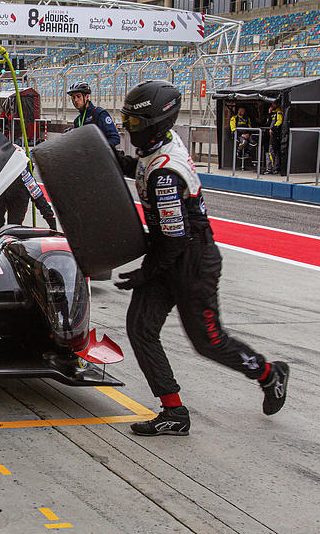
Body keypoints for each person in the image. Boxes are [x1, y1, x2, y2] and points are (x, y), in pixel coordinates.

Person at [113, 80, 289, 436]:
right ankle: (174, 412)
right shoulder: (163, 145)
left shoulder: (165, 172)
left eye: (133, 123)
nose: (128, 129)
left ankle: (269, 373)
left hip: (191, 261)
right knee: (140, 327)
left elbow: (176, 237)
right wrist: (108, 159)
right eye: (126, 121)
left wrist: (145, 273)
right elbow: (142, 170)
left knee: (208, 342)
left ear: (154, 123)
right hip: (169, 251)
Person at [0, 157, 57, 234]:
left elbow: (38, 196)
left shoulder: (23, 171)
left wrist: (52, 224)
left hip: (17, 195)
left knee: (13, 228)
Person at [68, 81, 120, 147]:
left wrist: (98, 148)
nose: (75, 100)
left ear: (86, 97)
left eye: (78, 96)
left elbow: (115, 138)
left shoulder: (99, 114)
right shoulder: (77, 121)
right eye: (73, 97)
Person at [264, 101, 286, 175]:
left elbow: (279, 122)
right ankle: (272, 168)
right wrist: (269, 113)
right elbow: (267, 122)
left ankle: (271, 168)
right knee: (271, 150)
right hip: (269, 134)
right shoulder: (272, 113)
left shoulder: (279, 112)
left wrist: (273, 129)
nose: (272, 105)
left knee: (272, 151)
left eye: (274, 104)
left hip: (275, 134)